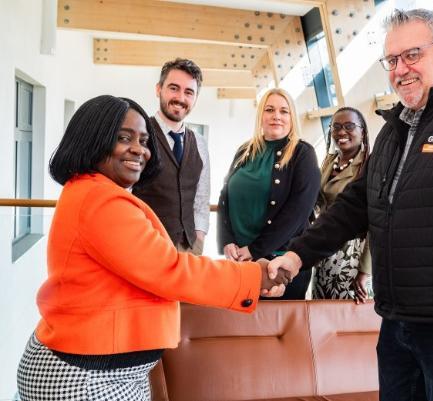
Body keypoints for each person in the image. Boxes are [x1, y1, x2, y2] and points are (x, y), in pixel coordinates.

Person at [268, 8, 433, 401]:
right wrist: (296, 256)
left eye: (412, 55)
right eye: (392, 60)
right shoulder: (395, 131)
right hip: (395, 325)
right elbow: (354, 206)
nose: (400, 69)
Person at [16, 95, 287, 401]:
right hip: (84, 378)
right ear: (93, 140)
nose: (139, 150)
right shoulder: (102, 201)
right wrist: (253, 276)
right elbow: (169, 269)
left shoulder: (91, 191)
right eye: (123, 138)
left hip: (98, 370)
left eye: (144, 140)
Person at [217, 88, 320, 300]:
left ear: (292, 117)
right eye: (270, 109)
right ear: (261, 115)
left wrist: (255, 249)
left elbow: (298, 212)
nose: (276, 116)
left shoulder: (303, 153)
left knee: (278, 328)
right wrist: (227, 241)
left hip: (281, 262)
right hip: (242, 261)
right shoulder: (245, 150)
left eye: (284, 111)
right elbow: (225, 196)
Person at [133, 58, 209, 255]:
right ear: (158, 89)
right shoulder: (139, 134)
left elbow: (201, 198)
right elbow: (124, 192)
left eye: (189, 92)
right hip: (147, 246)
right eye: (174, 88)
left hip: (189, 248)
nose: (180, 98)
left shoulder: (200, 143)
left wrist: (199, 239)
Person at [312, 107, 372, 302]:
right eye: (336, 126)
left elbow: (376, 222)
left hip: (352, 255)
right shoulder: (329, 162)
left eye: (349, 126)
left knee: (347, 318)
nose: (341, 132)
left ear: (362, 131)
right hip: (323, 250)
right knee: (321, 314)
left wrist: (365, 270)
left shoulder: (369, 166)